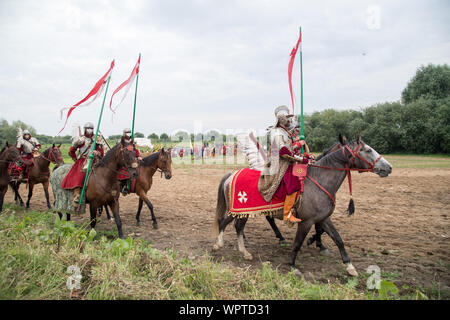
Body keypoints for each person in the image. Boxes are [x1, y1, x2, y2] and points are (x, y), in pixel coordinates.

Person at [258, 105, 306, 223]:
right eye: (288, 117)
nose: (290, 120)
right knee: (293, 182)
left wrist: (298, 145)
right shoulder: (276, 132)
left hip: (286, 162)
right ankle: (287, 214)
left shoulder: (284, 131)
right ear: (282, 119)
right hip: (279, 165)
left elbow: (288, 148)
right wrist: (300, 159)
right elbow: (283, 151)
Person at [61, 122, 104, 209]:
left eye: (91, 129)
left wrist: (97, 152)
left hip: (95, 160)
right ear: (84, 129)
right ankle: (77, 194)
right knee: (80, 175)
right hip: (83, 160)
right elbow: (71, 151)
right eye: (88, 128)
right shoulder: (81, 139)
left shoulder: (97, 139)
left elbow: (101, 151)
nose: (89, 130)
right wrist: (75, 159)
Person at [118, 128, 142, 195]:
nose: (128, 134)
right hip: (123, 161)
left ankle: (137, 186)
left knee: (138, 168)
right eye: (127, 132)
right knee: (125, 172)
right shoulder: (121, 142)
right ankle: (124, 187)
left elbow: (135, 150)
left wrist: (138, 156)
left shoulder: (132, 142)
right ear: (124, 133)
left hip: (131, 160)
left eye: (129, 132)